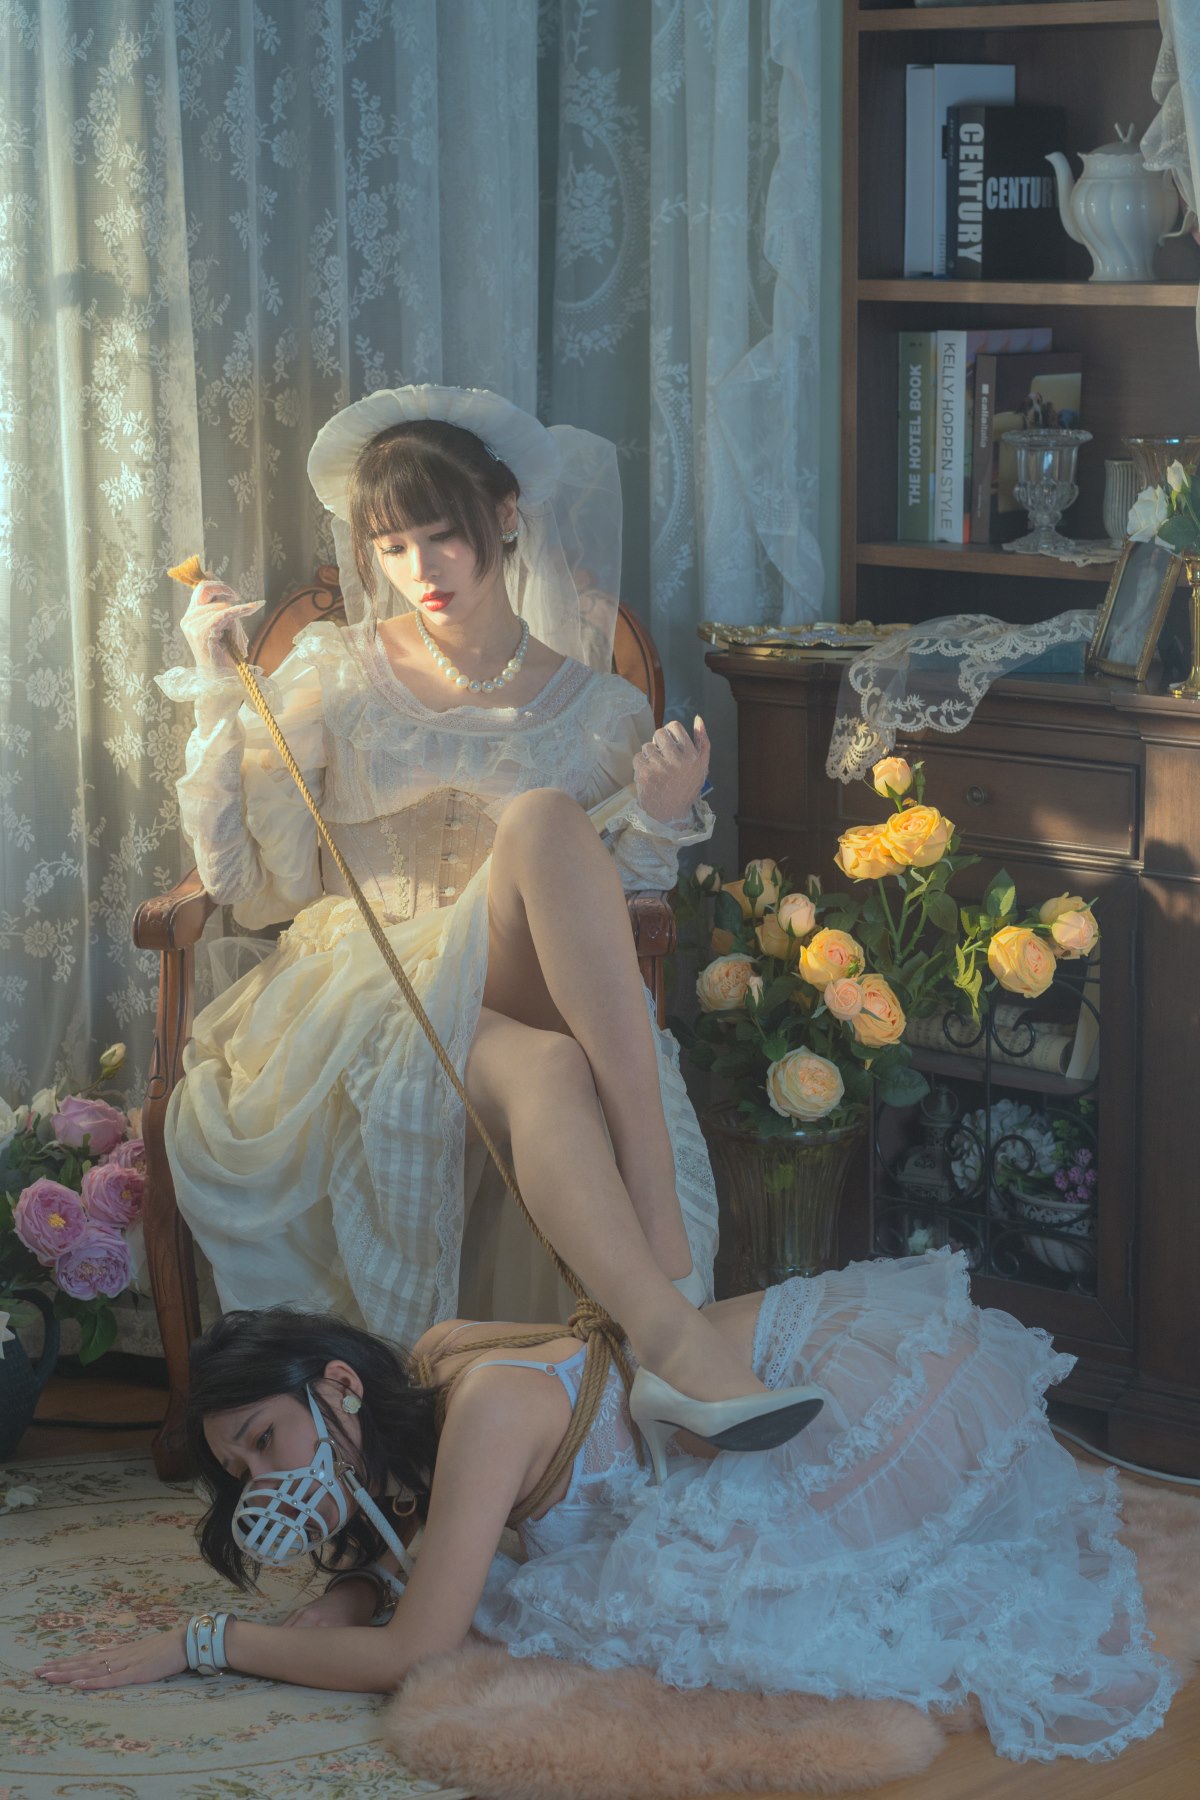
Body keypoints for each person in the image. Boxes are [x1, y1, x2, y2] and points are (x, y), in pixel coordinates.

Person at [37, 1252, 1178, 1767]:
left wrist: (211, 1643)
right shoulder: (429, 1377)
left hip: (864, 1395)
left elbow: (416, 1652)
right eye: (240, 1471)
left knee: (762, 1616)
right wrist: (360, 1580)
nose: (264, 1479)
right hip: (799, 1379)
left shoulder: (482, 1406)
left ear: (337, 1386)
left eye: (262, 1441)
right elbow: (426, 1544)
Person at [155, 384, 725, 1358]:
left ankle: (644, 1238)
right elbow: (248, 887)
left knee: (545, 830)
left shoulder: (601, 710)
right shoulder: (332, 673)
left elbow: (617, 915)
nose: (419, 570)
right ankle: (662, 1316)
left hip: (530, 986)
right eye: (391, 546)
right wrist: (219, 690)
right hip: (368, 986)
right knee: (547, 1065)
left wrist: (659, 818)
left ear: (503, 517)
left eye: (441, 536)